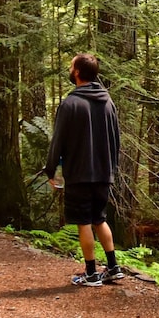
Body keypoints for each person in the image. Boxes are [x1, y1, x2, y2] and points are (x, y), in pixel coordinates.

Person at [45, 54, 124, 287]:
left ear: (78, 72)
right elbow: (116, 139)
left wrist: (52, 171)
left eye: (71, 66)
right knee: (100, 219)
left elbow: (58, 141)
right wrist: (111, 168)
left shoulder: (70, 103)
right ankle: (113, 267)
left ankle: (90, 273)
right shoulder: (108, 102)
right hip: (103, 172)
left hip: (79, 173)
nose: (70, 69)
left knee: (84, 222)